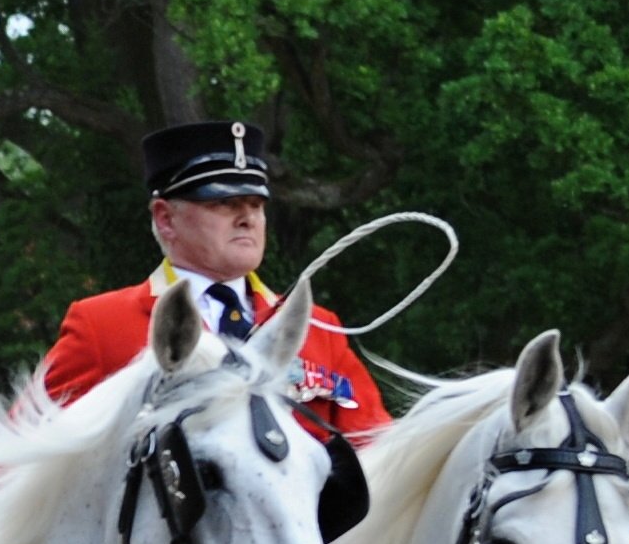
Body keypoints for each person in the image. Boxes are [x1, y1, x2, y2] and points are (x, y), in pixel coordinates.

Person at [39, 121, 394, 443]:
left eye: (257, 204)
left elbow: (381, 457)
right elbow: (19, 459)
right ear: (165, 218)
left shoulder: (317, 328)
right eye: (225, 203)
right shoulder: (101, 326)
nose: (248, 218)